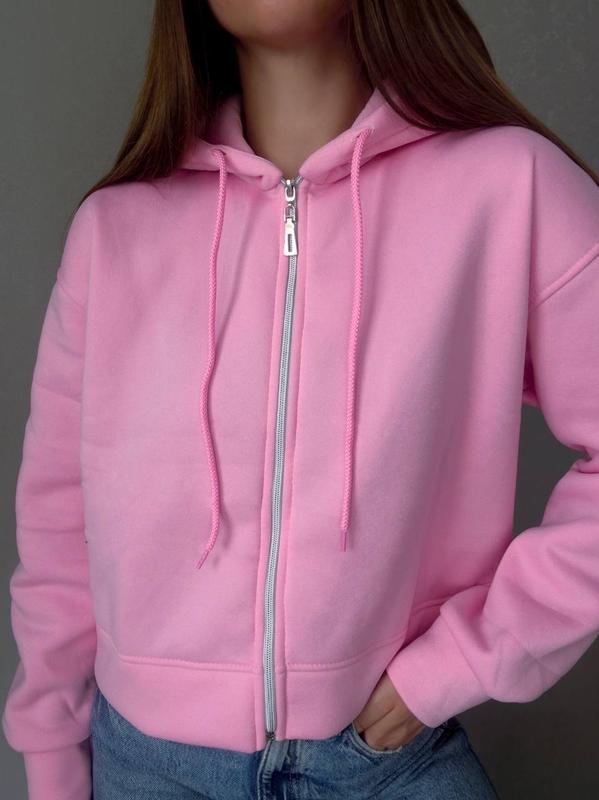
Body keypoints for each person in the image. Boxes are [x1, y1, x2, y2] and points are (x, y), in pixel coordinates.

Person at [3, 0, 599, 798]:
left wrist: (462, 661)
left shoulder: (508, 184)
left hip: (384, 764)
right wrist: (50, 753)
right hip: (146, 766)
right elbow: (56, 525)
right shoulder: (114, 230)